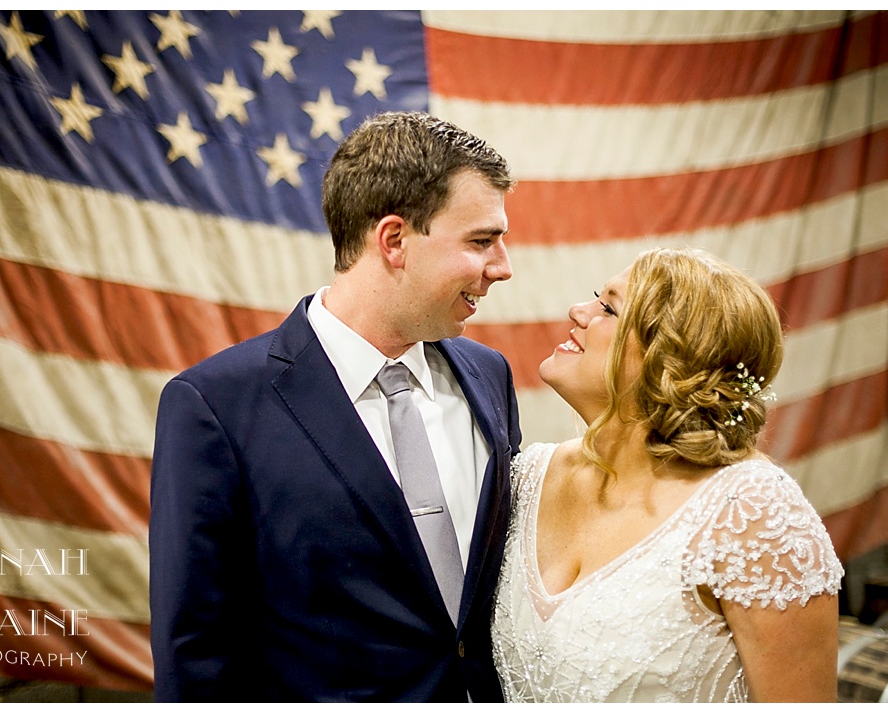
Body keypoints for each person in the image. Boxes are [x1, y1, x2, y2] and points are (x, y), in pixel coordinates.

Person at [149, 112, 521, 700]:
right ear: (394, 240)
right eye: (480, 241)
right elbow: (195, 652)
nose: (502, 267)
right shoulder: (214, 406)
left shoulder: (488, 375)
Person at [491, 247, 843, 702]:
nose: (577, 312)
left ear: (669, 359)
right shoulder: (526, 476)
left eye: (608, 308)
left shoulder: (753, 512)